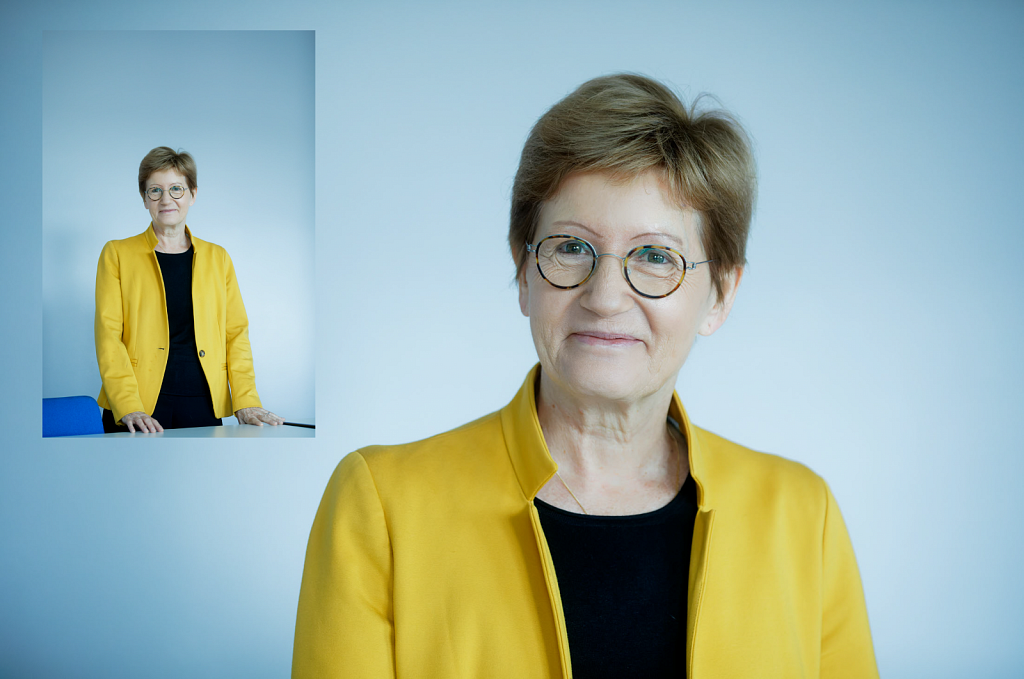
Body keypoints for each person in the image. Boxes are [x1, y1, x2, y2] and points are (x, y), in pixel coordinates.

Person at [292, 75, 878, 677]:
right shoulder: (383, 507)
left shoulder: (803, 517)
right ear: (524, 273)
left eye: (656, 256)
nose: (605, 297)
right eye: (571, 247)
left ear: (721, 294)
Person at [94, 147, 283, 433]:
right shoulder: (117, 254)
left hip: (203, 402)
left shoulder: (218, 258)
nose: (166, 199)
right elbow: (108, 336)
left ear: (192, 194)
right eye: (155, 190)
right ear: (144, 199)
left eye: (176, 189)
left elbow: (236, 334)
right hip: (136, 405)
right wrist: (128, 405)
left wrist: (246, 400)